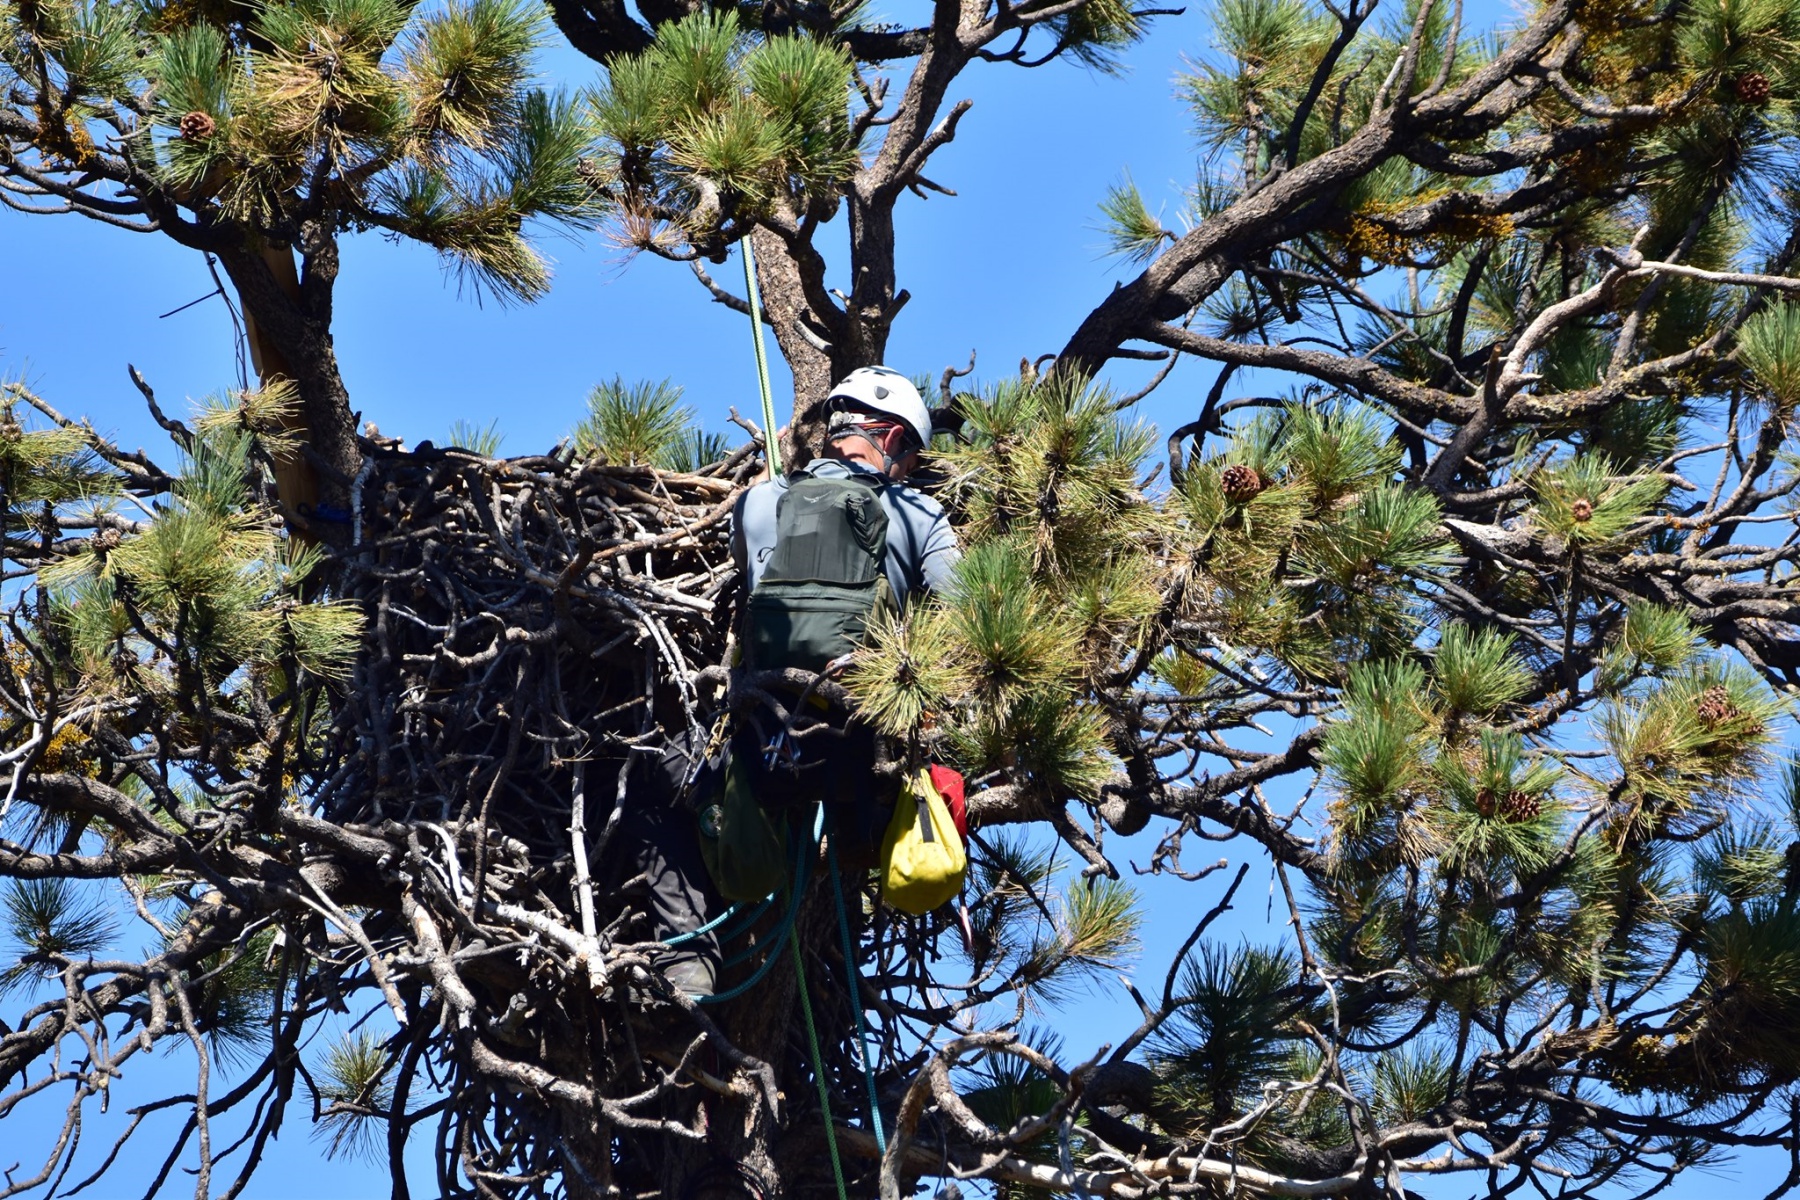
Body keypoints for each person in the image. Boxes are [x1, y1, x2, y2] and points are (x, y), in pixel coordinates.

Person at [625, 366, 959, 998]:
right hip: (870, 772)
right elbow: (972, 620)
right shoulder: (919, 515)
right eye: (911, 454)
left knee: (652, 775)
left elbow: (755, 596)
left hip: (772, 756)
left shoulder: (759, 501)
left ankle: (690, 959)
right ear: (889, 439)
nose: (912, 470)